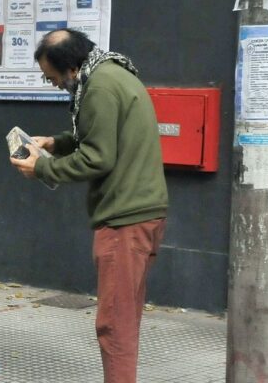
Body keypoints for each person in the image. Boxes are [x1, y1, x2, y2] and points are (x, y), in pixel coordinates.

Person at [10, 29, 168, 383]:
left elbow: (97, 157)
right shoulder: (111, 73)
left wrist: (42, 167)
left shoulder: (98, 87)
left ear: (71, 68)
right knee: (124, 319)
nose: (53, 85)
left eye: (52, 78)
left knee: (115, 325)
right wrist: (55, 143)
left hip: (124, 219)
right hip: (142, 212)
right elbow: (96, 135)